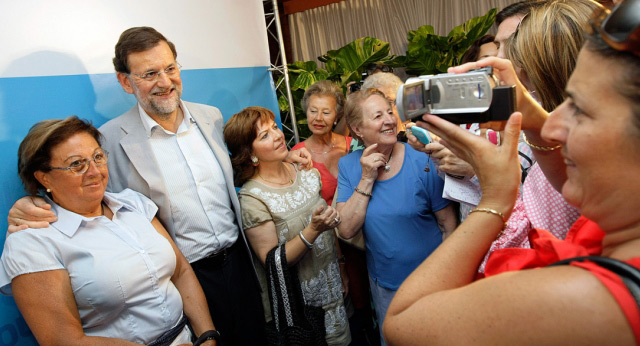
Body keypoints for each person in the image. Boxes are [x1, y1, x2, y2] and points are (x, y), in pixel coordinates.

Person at [5, 26, 312, 345]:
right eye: (150, 73)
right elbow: (90, 195)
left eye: (170, 68)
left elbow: (235, 173)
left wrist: (284, 159)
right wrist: (29, 205)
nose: (165, 82)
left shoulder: (211, 118)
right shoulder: (110, 140)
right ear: (126, 81)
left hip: (240, 264)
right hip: (183, 277)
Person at [384, 2, 640, 344]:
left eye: (579, 108)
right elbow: (569, 184)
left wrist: (495, 200)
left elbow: (403, 321)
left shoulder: (590, 300)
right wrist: (531, 121)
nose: (554, 127)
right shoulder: (619, 214)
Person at [0, 117, 216, 345]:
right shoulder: (32, 242)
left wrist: (207, 336)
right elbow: (62, 340)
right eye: (76, 164)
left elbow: (180, 271)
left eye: (98, 157)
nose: (94, 171)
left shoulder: (133, 204)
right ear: (44, 178)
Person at [336, 88, 457, 345]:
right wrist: (367, 177)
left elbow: (448, 224)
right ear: (358, 129)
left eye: (390, 112)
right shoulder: (349, 166)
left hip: (432, 281)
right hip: (386, 287)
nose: (389, 120)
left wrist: (448, 277)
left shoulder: (420, 159)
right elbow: (346, 229)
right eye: (378, 116)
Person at [223, 106, 351, 345]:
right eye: (264, 135)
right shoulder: (253, 199)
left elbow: (328, 227)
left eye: (274, 127)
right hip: (301, 311)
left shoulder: (304, 171)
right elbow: (271, 262)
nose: (278, 135)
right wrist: (312, 230)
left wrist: (342, 266)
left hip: (333, 290)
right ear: (250, 153)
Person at [292, 80, 351, 205]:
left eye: (326, 113)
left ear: (336, 116)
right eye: (313, 111)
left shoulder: (353, 145)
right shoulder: (297, 154)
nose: (318, 118)